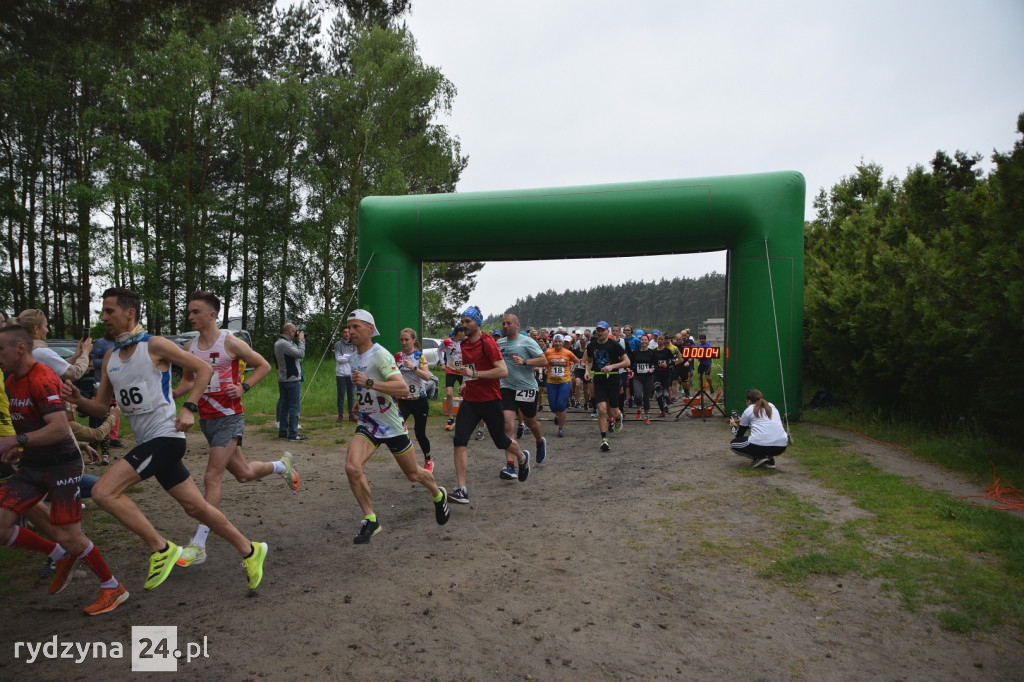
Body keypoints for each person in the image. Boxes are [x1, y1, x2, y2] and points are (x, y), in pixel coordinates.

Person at [64, 287, 268, 592]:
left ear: (129, 313)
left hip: (166, 437)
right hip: (148, 442)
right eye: (103, 311)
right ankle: (251, 551)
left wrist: (188, 407)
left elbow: (202, 369)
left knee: (105, 491)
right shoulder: (109, 357)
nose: (104, 317)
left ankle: (161, 549)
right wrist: (79, 399)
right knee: (197, 508)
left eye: (109, 311)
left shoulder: (155, 345)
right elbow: (100, 406)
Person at [0, 324, 127, 615]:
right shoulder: (10, 382)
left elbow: (59, 429)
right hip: (32, 466)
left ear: (20, 348)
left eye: (0, 349)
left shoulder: (42, 377)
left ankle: (112, 587)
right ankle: (59, 556)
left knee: (70, 535)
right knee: (2, 525)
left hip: (62, 467)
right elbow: (30, 427)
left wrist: (17, 440)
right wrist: (15, 448)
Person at [172, 291, 297, 568]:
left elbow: (263, 365)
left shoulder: (230, 343)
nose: (190, 316)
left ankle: (199, 545)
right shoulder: (190, 347)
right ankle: (281, 466)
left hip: (230, 417)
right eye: (189, 312)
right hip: (206, 418)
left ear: (211, 315)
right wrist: (169, 396)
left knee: (211, 477)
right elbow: (189, 382)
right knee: (244, 474)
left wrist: (243, 387)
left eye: (195, 312)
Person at [343, 310, 449, 544]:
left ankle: (438, 493)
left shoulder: (380, 355)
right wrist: (358, 403)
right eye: (349, 327)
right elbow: (364, 387)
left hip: (391, 425)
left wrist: (369, 382)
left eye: (356, 327)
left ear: (370, 329)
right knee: (352, 467)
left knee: (413, 474)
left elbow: (401, 389)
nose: (350, 331)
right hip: (369, 422)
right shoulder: (353, 358)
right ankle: (371, 519)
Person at [449, 306, 529, 504]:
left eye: (468, 321)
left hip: (490, 401)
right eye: (463, 321)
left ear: (478, 322)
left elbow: (502, 371)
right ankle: (462, 489)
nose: (464, 325)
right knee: (459, 440)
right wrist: (466, 384)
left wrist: (476, 375)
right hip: (471, 401)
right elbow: (471, 371)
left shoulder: (488, 343)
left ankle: (522, 457)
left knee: (501, 441)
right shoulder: (464, 345)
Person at [498, 314, 547, 471]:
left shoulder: (527, 341)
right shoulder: (499, 343)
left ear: (517, 325)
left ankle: (539, 441)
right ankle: (510, 465)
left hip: (526, 388)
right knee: (507, 427)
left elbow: (544, 360)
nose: (505, 326)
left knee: (530, 421)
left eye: (509, 323)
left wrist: (525, 361)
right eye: (504, 323)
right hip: (506, 387)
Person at [583, 321, 630, 452]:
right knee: (602, 410)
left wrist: (612, 366)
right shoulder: (592, 345)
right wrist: (587, 371)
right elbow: (589, 361)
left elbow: (627, 361)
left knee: (613, 411)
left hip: (613, 378)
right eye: (598, 330)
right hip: (599, 379)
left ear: (607, 331)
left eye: (602, 330)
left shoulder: (614, 345)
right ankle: (604, 439)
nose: (600, 332)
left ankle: (618, 417)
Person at [395, 327, 434, 472]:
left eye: (406, 340)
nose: (404, 343)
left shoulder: (420, 356)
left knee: (420, 433)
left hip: (419, 401)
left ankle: (428, 459)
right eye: (402, 340)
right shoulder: (398, 356)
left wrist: (413, 368)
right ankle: (408, 462)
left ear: (413, 340)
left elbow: (427, 376)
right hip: (403, 401)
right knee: (399, 429)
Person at [16, 308, 92, 381]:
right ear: (36, 329)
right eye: (45, 326)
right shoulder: (41, 352)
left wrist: (75, 356)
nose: (47, 330)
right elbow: (75, 372)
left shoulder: (23, 350)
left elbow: (57, 365)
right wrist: (85, 353)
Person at [729, 388, 789, 468]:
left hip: (761, 445)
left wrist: (733, 426)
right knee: (768, 436)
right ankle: (770, 460)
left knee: (733, 444)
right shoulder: (771, 405)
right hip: (781, 446)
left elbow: (739, 435)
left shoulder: (749, 409)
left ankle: (759, 457)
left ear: (749, 401)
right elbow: (764, 425)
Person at [89, 327, 122, 451]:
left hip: (117, 380)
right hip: (101, 381)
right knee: (100, 409)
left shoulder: (121, 343)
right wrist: (109, 360)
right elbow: (92, 361)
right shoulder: (100, 342)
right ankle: (98, 437)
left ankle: (113, 438)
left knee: (116, 407)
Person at [274, 322, 307, 441]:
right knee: (294, 407)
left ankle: (283, 431)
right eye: (294, 332)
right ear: (289, 332)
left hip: (283, 378)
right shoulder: (284, 344)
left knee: (284, 406)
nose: (295, 334)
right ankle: (293, 433)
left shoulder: (278, 343)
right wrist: (301, 340)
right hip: (291, 379)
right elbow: (300, 353)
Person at [539, 333, 577, 437]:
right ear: (553, 342)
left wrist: (571, 371)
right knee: (552, 406)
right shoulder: (548, 352)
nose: (557, 343)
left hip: (564, 382)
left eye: (559, 341)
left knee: (561, 404)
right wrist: (546, 369)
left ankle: (561, 428)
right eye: (556, 341)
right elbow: (544, 362)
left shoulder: (568, 353)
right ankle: (557, 415)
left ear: (563, 343)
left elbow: (577, 361)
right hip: (551, 382)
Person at [627, 334, 657, 423]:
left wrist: (652, 369)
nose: (644, 342)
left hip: (648, 377)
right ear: (640, 341)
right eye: (642, 340)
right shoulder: (635, 352)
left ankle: (646, 416)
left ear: (648, 341)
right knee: (638, 396)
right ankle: (639, 408)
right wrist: (630, 370)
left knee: (646, 398)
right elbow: (630, 364)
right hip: (637, 377)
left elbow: (656, 364)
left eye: (645, 340)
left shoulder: (652, 352)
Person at [441, 325, 466, 431]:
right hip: (451, 370)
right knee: (449, 393)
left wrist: (464, 356)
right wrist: (442, 363)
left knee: (466, 394)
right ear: (459, 332)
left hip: (463, 371)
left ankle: (467, 417)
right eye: (463, 332)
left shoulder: (466, 341)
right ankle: (451, 418)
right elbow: (439, 350)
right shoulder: (447, 341)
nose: (464, 334)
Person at [334, 327, 357, 423]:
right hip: (341, 374)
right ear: (342, 333)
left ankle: (351, 415)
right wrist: (349, 357)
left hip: (351, 373)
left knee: (351, 395)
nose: (347, 334)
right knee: (341, 395)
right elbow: (338, 358)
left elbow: (356, 357)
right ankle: (340, 414)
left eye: (348, 332)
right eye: (345, 332)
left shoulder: (354, 344)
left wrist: (345, 356)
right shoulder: (338, 345)